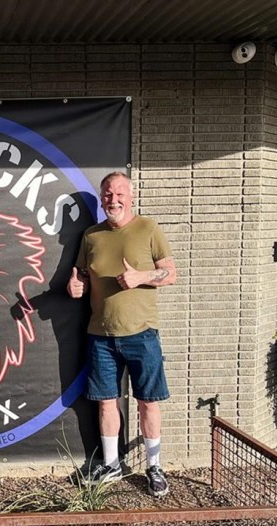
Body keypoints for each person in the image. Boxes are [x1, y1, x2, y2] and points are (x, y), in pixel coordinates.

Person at [66, 171, 177, 497]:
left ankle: (154, 467)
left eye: (119, 194)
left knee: (148, 402)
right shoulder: (91, 236)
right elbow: (83, 277)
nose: (113, 200)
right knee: (105, 403)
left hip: (142, 334)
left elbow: (171, 274)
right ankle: (112, 464)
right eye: (107, 195)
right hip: (100, 335)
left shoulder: (148, 229)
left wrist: (141, 276)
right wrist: (76, 285)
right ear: (101, 199)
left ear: (131, 196)